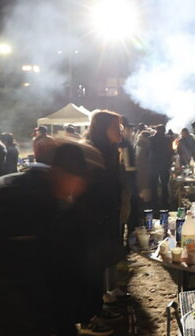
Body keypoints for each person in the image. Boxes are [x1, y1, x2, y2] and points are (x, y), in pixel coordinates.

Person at [0, 143, 89, 335]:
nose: (79, 187)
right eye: (76, 179)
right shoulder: (25, 203)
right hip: (9, 322)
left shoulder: (44, 195)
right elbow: (21, 283)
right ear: (59, 172)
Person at [78, 110, 127, 334]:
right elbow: (84, 191)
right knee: (89, 271)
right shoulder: (90, 152)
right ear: (102, 128)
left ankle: (97, 309)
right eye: (115, 126)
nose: (120, 130)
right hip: (90, 221)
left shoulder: (110, 150)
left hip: (107, 217)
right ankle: (87, 318)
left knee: (98, 270)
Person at [149, 124, 174, 212]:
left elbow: (148, 152)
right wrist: (169, 161)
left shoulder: (151, 139)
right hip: (164, 164)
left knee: (154, 184)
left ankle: (154, 203)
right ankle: (164, 202)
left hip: (153, 164)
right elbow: (171, 152)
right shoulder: (167, 140)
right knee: (164, 184)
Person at [135, 130, 152, 210]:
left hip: (139, 170)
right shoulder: (145, 145)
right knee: (145, 188)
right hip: (144, 170)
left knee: (141, 189)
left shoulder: (137, 145)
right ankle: (145, 208)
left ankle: (142, 207)